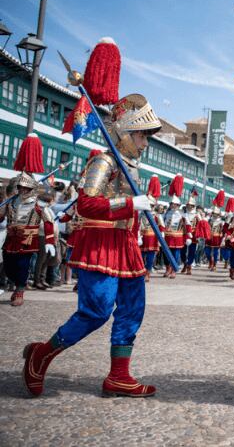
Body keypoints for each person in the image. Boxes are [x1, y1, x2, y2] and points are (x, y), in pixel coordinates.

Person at [22, 39, 162, 398]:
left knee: (132, 309)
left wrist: (140, 210)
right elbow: (86, 205)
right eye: (142, 136)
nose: (145, 143)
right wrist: (130, 205)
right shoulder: (103, 160)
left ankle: (119, 375)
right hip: (100, 242)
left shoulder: (131, 164)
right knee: (96, 311)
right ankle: (42, 354)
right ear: (125, 133)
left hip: (125, 243)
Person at [1, 137, 56, 307]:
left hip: (28, 239)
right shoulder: (11, 202)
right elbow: (2, 217)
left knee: (23, 265)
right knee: (8, 265)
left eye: (26, 188)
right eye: (21, 187)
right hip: (11, 238)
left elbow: (48, 222)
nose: (23, 190)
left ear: (31, 188)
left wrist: (49, 241)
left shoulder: (38, 204)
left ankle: (20, 290)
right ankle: (15, 283)